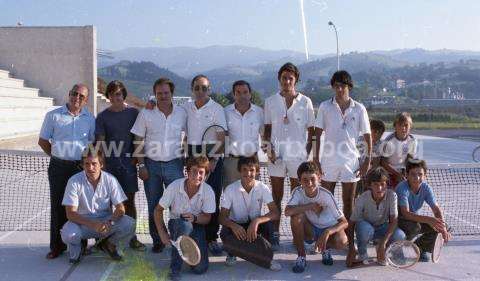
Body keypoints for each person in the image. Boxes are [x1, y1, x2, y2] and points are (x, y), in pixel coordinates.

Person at [314, 70, 371, 257]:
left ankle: (348, 238)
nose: (339, 89)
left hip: (350, 162)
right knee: (326, 201)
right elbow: (317, 133)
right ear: (333, 87)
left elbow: (367, 135)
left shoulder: (359, 108)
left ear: (349, 87)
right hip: (328, 162)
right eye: (336, 86)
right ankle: (326, 238)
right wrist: (316, 158)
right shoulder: (324, 106)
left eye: (343, 86)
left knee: (349, 203)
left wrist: (367, 160)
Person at [38, 83, 95, 259]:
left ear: (86, 100)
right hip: (58, 167)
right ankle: (57, 246)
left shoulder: (90, 119)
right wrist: (57, 157)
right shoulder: (53, 116)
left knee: (81, 207)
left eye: (81, 96)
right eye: (74, 94)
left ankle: (81, 245)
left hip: (80, 167)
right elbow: (43, 141)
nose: (76, 98)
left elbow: (92, 145)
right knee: (58, 206)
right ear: (69, 94)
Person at [130, 78, 187, 253]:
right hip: (151, 166)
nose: (163, 96)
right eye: (159, 93)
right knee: (154, 205)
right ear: (154, 94)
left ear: (172, 94)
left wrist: (184, 156)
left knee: (176, 206)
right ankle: (158, 240)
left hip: (174, 165)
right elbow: (138, 140)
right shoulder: (146, 113)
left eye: (166, 93)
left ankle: (177, 239)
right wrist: (141, 166)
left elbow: (188, 136)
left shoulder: (182, 113)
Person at [263, 62, 315, 249]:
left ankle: (297, 236)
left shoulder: (306, 102)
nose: (287, 81)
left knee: (295, 198)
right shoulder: (270, 101)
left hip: (298, 159)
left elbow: (312, 132)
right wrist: (268, 150)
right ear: (279, 79)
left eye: (290, 78)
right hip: (276, 157)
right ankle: (274, 234)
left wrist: (306, 154)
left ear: (296, 81)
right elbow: (267, 130)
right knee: (276, 196)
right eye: (284, 78)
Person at [60, 145, 135, 264]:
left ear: (101, 164)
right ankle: (76, 252)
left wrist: (110, 222)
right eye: (87, 164)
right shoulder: (74, 181)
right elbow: (70, 214)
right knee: (69, 234)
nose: (90, 167)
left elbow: (120, 209)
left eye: (94, 163)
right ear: (82, 165)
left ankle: (109, 245)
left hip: (106, 222)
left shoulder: (110, 180)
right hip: (82, 222)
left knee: (129, 224)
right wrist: (93, 224)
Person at [95, 80, 145, 251]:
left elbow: (139, 139)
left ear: (123, 94)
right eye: (112, 93)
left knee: (129, 203)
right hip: (110, 169)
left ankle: (132, 238)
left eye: (118, 93)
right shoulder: (102, 117)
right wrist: (101, 165)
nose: (115, 97)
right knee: (108, 205)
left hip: (129, 168)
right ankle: (106, 238)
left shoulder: (134, 113)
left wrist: (138, 159)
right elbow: (100, 144)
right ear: (108, 96)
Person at [183, 74, 227, 255]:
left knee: (212, 198)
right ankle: (192, 236)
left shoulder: (217, 108)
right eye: (197, 88)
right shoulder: (185, 108)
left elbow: (221, 137)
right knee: (192, 195)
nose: (200, 91)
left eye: (204, 88)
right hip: (193, 153)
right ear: (192, 89)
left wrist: (214, 160)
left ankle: (211, 238)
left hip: (212, 155)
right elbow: (184, 133)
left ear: (209, 89)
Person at [154, 156, 215, 280]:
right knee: (184, 226)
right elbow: (157, 210)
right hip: (177, 223)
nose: (197, 175)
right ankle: (174, 268)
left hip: (197, 225)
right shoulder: (175, 186)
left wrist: (195, 218)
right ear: (187, 171)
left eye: (201, 172)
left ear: (205, 175)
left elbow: (207, 218)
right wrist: (162, 233)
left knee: (200, 269)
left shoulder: (208, 191)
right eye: (193, 171)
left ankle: (186, 249)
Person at [219, 156, 281, 271]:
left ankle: (266, 256)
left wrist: (257, 221)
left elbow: (275, 213)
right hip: (237, 225)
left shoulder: (263, 187)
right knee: (225, 232)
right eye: (244, 169)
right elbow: (222, 217)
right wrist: (234, 226)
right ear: (239, 171)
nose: (248, 173)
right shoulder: (230, 189)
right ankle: (232, 253)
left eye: (252, 170)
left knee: (268, 226)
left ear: (257, 171)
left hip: (254, 224)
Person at [285, 162, 348, 273]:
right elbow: (287, 211)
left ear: (319, 178)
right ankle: (301, 256)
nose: (309, 183)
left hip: (328, 229)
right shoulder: (298, 192)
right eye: (305, 180)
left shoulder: (326, 195)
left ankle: (325, 248)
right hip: (311, 229)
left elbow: (344, 222)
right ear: (299, 181)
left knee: (342, 242)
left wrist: (327, 232)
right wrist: (311, 206)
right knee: (296, 217)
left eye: (312, 179)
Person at [347, 167, 406, 267]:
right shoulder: (362, 198)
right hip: (367, 228)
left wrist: (383, 243)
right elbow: (352, 223)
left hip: (383, 227)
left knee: (400, 235)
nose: (379, 188)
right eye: (375, 184)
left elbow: (394, 221)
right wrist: (351, 248)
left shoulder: (392, 196)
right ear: (370, 185)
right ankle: (362, 253)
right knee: (363, 227)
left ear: (387, 184)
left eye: (382, 184)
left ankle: (385, 250)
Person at [396, 158, 451, 262]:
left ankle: (420, 248)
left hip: (415, 220)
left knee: (443, 226)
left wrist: (442, 227)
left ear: (425, 175)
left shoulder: (426, 188)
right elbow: (405, 213)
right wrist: (429, 220)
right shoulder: (401, 188)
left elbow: (436, 210)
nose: (417, 177)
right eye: (413, 174)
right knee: (415, 227)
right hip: (398, 222)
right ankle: (396, 249)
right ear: (406, 175)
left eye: (420, 174)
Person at [223, 80, 264, 187]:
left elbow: (265, 136)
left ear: (250, 94)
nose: (242, 96)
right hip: (231, 163)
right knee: (230, 195)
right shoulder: (225, 112)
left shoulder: (259, 112)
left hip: (252, 162)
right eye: (238, 93)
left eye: (245, 92)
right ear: (233, 95)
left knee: (254, 196)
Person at [380, 112, 417, 189]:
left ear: (410, 127)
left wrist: (407, 173)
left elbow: (409, 159)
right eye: (400, 125)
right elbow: (383, 162)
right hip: (389, 173)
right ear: (395, 126)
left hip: (403, 172)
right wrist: (397, 174)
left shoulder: (412, 141)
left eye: (406, 125)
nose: (403, 128)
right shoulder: (389, 141)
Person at [356, 119, 386, 194]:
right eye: (375, 132)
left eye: (380, 133)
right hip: (356, 171)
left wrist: (369, 176)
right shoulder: (359, 140)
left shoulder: (380, 144)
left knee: (368, 194)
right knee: (354, 194)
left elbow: (376, 162)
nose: (377, 135)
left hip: (370, 174)